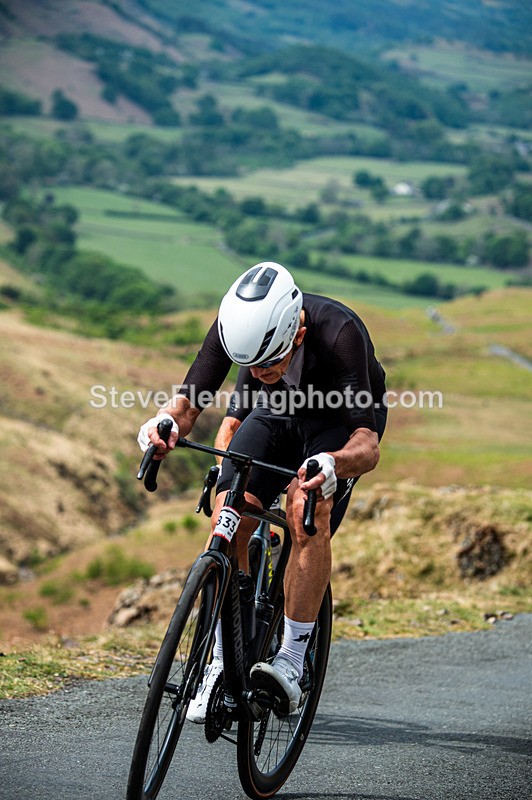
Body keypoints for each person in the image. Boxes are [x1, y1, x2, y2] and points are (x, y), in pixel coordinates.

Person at [138, 262, 387, 720]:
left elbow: (367, 445)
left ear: (296, 332)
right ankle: (221, 660)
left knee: (305, 509)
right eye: (252, 365)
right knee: (228, 513)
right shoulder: (238, 329)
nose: (260, 371)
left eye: (271, 362)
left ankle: (292, 659)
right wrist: (166, 423)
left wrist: (333, 463)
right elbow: (195, 404)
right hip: (276, 414)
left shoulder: (339, 333)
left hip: (338, 423)